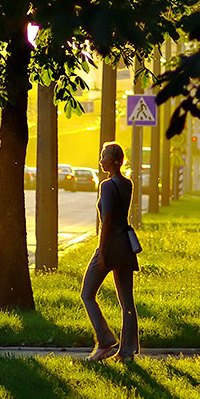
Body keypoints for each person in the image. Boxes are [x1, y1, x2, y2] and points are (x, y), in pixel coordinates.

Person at [81, 141, 139, 361]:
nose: (100, 160)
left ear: (112, 161)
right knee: (127, 300)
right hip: (126, 244)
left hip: (111, 243)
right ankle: (127, 352)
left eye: (103, 156)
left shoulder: (106, 186)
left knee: (87, 293)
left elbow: (106, 220)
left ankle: (105, 341)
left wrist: (102, 253)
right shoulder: (127, 184)